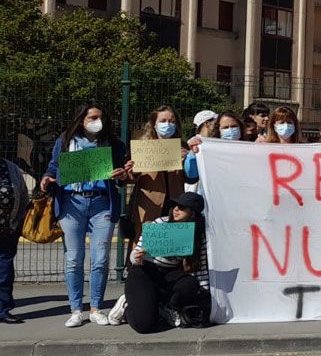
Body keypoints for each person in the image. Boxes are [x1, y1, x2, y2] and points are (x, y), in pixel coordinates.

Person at [41, 103, 132, 327]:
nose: (95, 121)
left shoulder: (114, 145)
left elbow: (122, 176)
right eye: (91, 117)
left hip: (102, 203)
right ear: (81, 119)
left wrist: (121, 175)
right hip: (72, 203)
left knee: (100, 259)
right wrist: (47, 178)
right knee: (73, 259)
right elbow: (54, 167)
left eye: (99, 117)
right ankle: (75, 309)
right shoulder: (65, 141)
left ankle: (95, 308)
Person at [111, 192, 212, 332]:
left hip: (169, 274)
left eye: (182, 207)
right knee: (144, 325)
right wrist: (137, 257)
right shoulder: (160, 223)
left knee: (190, 283)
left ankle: (166, 307)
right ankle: (127, 306)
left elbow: (201, 269)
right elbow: (135, 254)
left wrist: (204, 297)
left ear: (193, 213)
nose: (176, 209)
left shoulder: (197, 234)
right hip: (144, 271)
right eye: (175, 206)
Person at [129, 105, 188, 244]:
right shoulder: (143, 146)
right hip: (150, 207)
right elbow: (131, 177)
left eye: (172, 121)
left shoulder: (183, 147)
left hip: (175, 205)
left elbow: (191, 178)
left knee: (171, 250)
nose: (167, 125)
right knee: (145, 251)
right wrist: (130, 170)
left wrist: (188, 161)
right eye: (163, 121)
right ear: (154, 124)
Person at [0, 157, 34, 324]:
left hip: (8, 229)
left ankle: (3, 309)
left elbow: (22, 194)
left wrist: (16, 222)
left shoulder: (11, 168)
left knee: (4, 272)